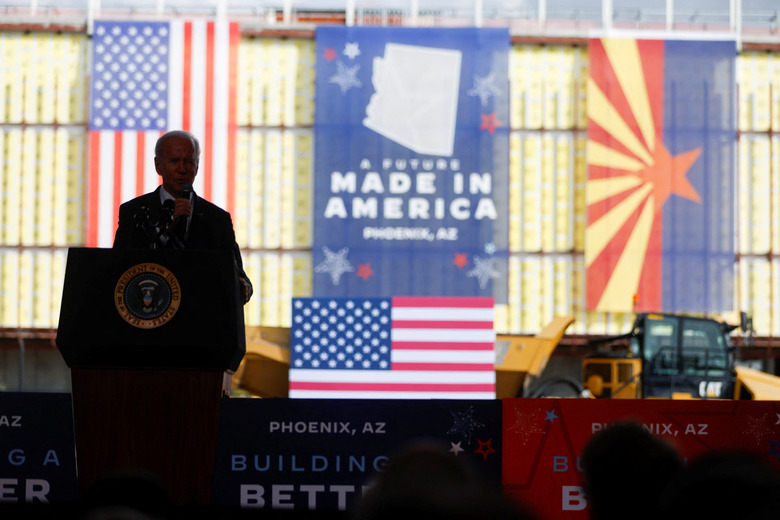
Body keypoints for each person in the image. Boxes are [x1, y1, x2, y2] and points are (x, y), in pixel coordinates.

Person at [113, 130, 252, 304]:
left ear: (197, 166)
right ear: (158, 165)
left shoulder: (217, 219)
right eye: (174, 161)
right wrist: (166, 228)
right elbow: (118, 268)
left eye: (188, 161)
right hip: (149, 311)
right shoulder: (133, 211)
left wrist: (242, 287)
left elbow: (238, 276)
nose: (182, 169)